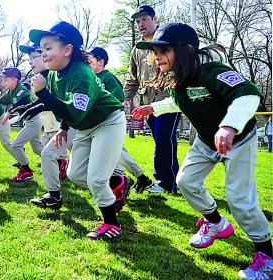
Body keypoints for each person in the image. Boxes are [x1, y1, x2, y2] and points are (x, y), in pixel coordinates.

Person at [131, 22, 272, 279]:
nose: (156, 56)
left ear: (186, 50)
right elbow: (178, 101)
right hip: (207, 142)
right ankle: (216, 223)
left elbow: (248, 94)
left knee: (239, 200)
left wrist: (229, 126)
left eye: (164, 49)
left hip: (238, 140)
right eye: (154, 51)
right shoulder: (181, 80)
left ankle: (266, 255)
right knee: (185, 181)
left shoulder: (211, 71)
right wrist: (154, 108)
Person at [28, 21, 127, 240]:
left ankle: (112, 223)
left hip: (108, 122)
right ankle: (117, 183)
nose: (43, 54)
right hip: (84, 126)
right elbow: (64, 104)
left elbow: (73, 112)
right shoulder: (54, 74)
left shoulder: (82, 74)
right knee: (76, 174)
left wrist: (42, 94)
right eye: (41, 49)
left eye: (48, 47)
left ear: (67, 49)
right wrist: (63, 126)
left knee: (96, 179)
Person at [124, 5, 181, 193]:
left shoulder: (168, 41)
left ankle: (165, 183)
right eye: (138, 21)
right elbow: (132, 77)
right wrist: (126, 97)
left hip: (168, 100)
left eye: (144, 19)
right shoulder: (137, 50)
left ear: (154, 19)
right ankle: (173, 180)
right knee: (160, 140)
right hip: (146, 103)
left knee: (165, 140)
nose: (141, 24)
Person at [16, 43, 75, 209]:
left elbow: (56, 103)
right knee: (50, 155)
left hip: (88, 122)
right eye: (30, 59)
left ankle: (122, 179)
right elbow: (47, 101)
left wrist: (32, 108)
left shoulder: (57, 75)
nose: (31, 62)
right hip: (70, 123)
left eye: (34, 57)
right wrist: (29, 108)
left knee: (86, 168)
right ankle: (54, 196)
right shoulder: (45, 77)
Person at [88, 46, 153, 193]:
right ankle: (137, 178)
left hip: (110, 122)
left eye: (91, 60)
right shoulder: (91, 77)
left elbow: (118, 100)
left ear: (101, 61)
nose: (88, 64)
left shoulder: (108, 78)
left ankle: (130, 179)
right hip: (96, 124)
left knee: (118, 153)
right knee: (115, 154)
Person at [0, 67, 43, 182]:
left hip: (33, 121)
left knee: (15, 144)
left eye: (5, 80)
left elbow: (22, 100)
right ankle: (60, 162)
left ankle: (26, 170)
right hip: (29, 122)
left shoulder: (21, 90)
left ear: (14, 80)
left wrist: (9, 111)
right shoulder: (10, 92)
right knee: (37, 149)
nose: (2, 82)